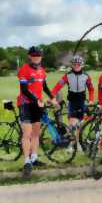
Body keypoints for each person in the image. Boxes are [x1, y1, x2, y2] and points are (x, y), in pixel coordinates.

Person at [17, 46, 56, 177]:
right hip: (25, 104)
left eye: (38, 55)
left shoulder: (41, 70)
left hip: (37, 105)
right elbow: (24, 90)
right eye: (34, 55)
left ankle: (34, 158)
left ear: (41, 57)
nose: (36, 57)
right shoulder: (24, 69)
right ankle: (27, 162)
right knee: (27, 133)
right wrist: (36, 100)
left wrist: (53, 98)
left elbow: (44, 87)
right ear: (29, 56)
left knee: (36, 133)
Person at [51, 55, 94, 149]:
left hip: (82, 102)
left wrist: (91, 100)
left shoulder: (86, 76)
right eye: (74, 64)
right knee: (71, 125)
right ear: (72, 65)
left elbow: (91, 89)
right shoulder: (68, 76)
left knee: (79, 126)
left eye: (78, 64)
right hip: (72, 103)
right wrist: (52, 96)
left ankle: (77, 144)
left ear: (82, 65)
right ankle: (69, 144)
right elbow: (57, 86)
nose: (76, 66)